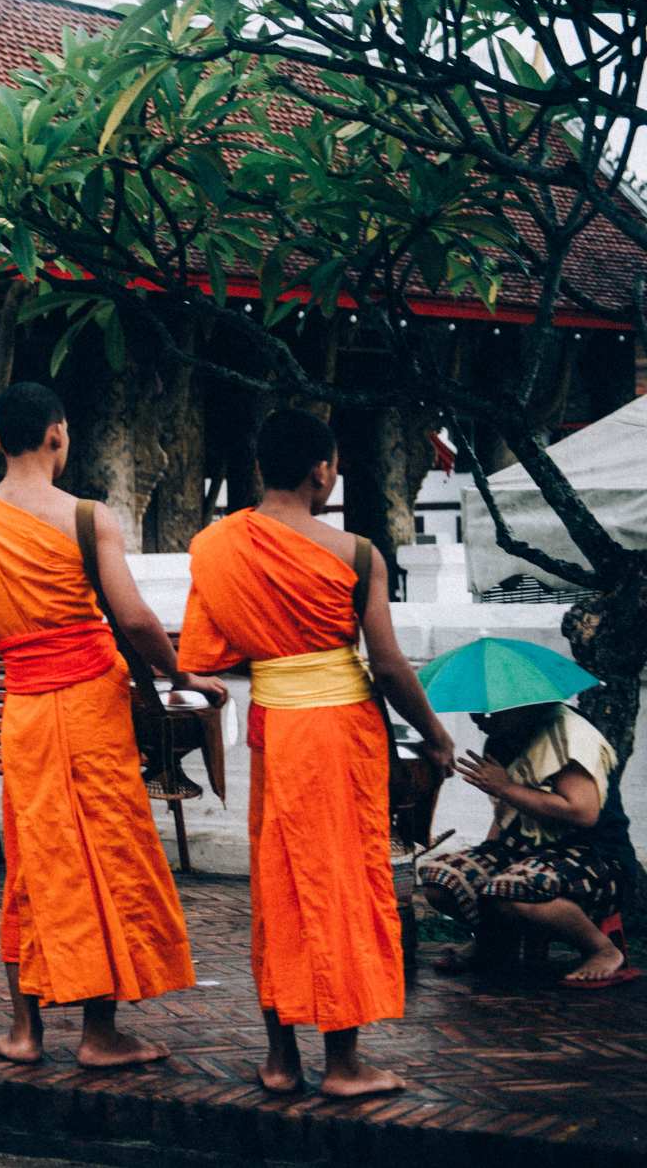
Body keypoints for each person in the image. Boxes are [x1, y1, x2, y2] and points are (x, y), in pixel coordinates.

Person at [0, 383, 219, 1068]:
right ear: (59, 433)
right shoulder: (88, 518)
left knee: (35, 861)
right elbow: (137, 619)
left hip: (25, 708)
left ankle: (25, 1032)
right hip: (91, 703)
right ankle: (99, 1034)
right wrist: (179, 675)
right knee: (106, 857)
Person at [180, 407, 456, 1096]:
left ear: (259, 469)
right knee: (339, 886)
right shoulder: (356, 554)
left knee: (279, 888)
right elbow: (388, 666)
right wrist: (439, 735)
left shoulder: (215, 548)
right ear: (322, 471)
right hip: (340, 735)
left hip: (275, 729)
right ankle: (343, 1064)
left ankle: (280, 1061)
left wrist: (281, 663)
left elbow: (209, 659)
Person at [420, 700, 635, 988]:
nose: (477, 719)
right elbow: (506, 811)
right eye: (474, 710)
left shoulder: (570, 735)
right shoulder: (501, 740)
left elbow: (583, 813)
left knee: (510, 891)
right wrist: (487, 857)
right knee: (442, 880)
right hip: (525, 853)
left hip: (597, 859)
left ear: (522, 706)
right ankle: (495, 945)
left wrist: (506, 787)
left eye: (487, 711)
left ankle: (603, 949)